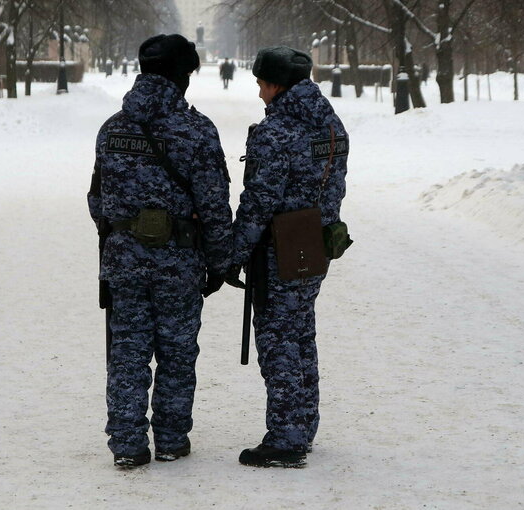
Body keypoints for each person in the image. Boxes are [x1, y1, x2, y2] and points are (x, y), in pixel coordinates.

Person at [89, 34, 233, 468]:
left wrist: (121, 238)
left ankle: (128, 444)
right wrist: (221, 262)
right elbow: (214, 206)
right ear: (183, 75)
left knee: (127, 353)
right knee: (176, 352)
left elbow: (97, 199)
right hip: (180, 262)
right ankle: (171, 438)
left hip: (123, 262)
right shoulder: (196, 130)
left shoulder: (113, 128)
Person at [229, 46, 350, 468]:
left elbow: (259, 201)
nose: (260, 94)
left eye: (262, 84)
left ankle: (286, 438)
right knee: (301, 335)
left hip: (279, 247)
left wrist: (233, 252)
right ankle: (304, 425)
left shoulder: (275, 132)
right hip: (317, 243)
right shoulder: (331, 126)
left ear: (276, 85)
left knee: (278, 339)